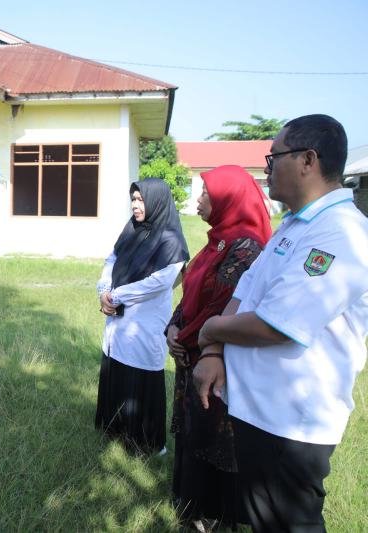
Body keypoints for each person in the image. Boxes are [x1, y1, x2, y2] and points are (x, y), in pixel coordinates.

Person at [194, 114, 368, 532]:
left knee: (289, 524)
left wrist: (211, 331)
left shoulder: (340, 233)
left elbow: (278, 324)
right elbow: (247, 291)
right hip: (259, 410)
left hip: (292, 421)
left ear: (308, 160)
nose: (267, 170)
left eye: (274, 158)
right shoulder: (293, 225)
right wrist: (216, 349)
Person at [166, 165, 272, 530]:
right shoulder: (218, 240)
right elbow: (192, 294)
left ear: (228, 197)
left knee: (214, 440)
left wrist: (191, 340)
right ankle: (190, 508)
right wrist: (173, 328)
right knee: (192, 436)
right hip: (192, 354)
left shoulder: (247, 248)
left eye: (205, 193)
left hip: (217, 362)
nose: (198, 200)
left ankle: (210, 516)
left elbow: (226, 306)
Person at [95, 178, 188, 454]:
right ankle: (116, 429)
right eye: (133, 199)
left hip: (144, 322)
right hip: (117, 318)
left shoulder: (171, 239)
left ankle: (147, 442)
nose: (136, 205)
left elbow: (159, 282)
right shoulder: (131, 228)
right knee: (117, 368)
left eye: (141, 200)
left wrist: (117, 295)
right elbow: (111, 259)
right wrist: (103, 291)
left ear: (156, 201)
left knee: (140, 376)